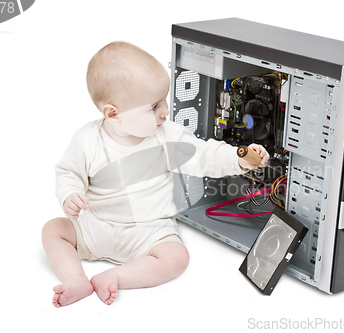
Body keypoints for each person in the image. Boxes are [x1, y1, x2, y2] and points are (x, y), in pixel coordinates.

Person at [42, 41, 270, 307]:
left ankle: (115, 276)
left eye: (165, 100)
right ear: (113, 113)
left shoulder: (167, 137)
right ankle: (75, 278)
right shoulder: (87, 139)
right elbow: (68, 171)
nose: (165, 112)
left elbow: (203, 154)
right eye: (153, 106)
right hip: (96, 227)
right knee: (53, 229)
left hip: (148, 232)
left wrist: (238, 159)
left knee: (176, 257)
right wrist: (70, 193)